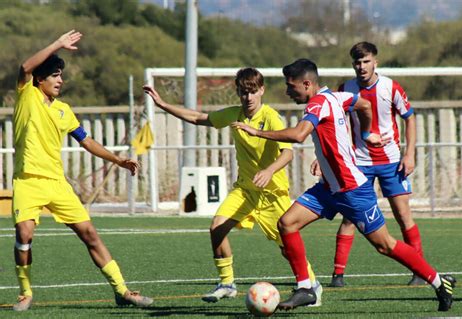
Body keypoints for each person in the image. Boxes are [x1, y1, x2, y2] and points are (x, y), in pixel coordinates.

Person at [232, 59, 455, 312]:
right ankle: (305, 288)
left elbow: (298, 135)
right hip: (328, 188)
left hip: (352, 190)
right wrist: (366, 132)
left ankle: (439, 281)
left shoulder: (317, 103)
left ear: (307, 84)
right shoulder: (336, 97)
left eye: (290, 86)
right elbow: (364, 104)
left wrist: (257, 132)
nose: (287, 91)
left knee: (385, 245)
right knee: (286, 223)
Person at [143, 68, 323, 305]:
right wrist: (163, 105)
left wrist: (269, 171)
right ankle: (227, 283)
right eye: (243, 92)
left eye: (252, 92)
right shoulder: (234, 115)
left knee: (286, 247)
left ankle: (312, 286)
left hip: (271, 195)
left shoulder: (271, 117)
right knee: (217, 227)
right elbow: (200, 118)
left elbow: (287, 154)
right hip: (245, 190)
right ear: (238, 92)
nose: (248, 98)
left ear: (261, 90)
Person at [12, 30, 153, 311]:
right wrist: (57, 44)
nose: (60, 80)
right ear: (40, 79)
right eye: (55, 75)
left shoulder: (65, 110)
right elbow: (25, 67)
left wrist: (118, 160)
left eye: (61, 76)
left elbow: (86, 141)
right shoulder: (27, 95)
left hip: (57, 184)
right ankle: (25, 293)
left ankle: (122, 291)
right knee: (24, 235)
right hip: (28, 182)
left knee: (90, 234)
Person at [325, 41, 425, 288]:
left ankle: (420, 271)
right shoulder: (345, 89)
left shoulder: (390, 87)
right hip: (359, 163)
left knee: (403, 215)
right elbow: (334, 125)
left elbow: (410, 119)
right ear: (353, 65)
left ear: (375, 62)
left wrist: (409, 154)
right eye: (357, 62)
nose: (362, 66)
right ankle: (338, 276)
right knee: (350, 217)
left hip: (391, 162)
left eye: (366, 61)